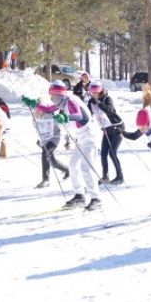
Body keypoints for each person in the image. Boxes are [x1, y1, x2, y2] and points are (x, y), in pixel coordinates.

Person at [48, 80, 103, 210]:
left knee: (86, 167)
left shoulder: (71, 101)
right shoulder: (63, 102)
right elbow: (49, 108)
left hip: (90, 137)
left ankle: (96, 198)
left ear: (59, 95)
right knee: (73, 165)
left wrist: (66, 118)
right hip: (81, 139)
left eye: (53, 96)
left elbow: (80, 116)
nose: (52, 99)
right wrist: (34, 104)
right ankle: (80, 195)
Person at [25, 97, 70, 188]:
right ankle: (68, 170)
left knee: (45, 154)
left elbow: (62, 126)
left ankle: (45, 179)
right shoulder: (35, 116)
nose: (37, 110)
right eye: (36, 108)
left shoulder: (50, 116)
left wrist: (67, 140)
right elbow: (36, 128)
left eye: (40, 108)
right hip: (44, 140)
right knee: (52, 161)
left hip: (54, 139)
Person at [87, 80, 125, 186]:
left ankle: (120, 176)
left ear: (100, 91)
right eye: (92, 92)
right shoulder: (91, 102)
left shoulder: (107, 99)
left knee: (112, 153)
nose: (94, 94)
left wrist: (100, 104)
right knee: (103, 153)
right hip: (106, 129)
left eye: (96, 92)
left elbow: (111, 111)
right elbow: (87, 114)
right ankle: (105, 176)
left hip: (117, 128)